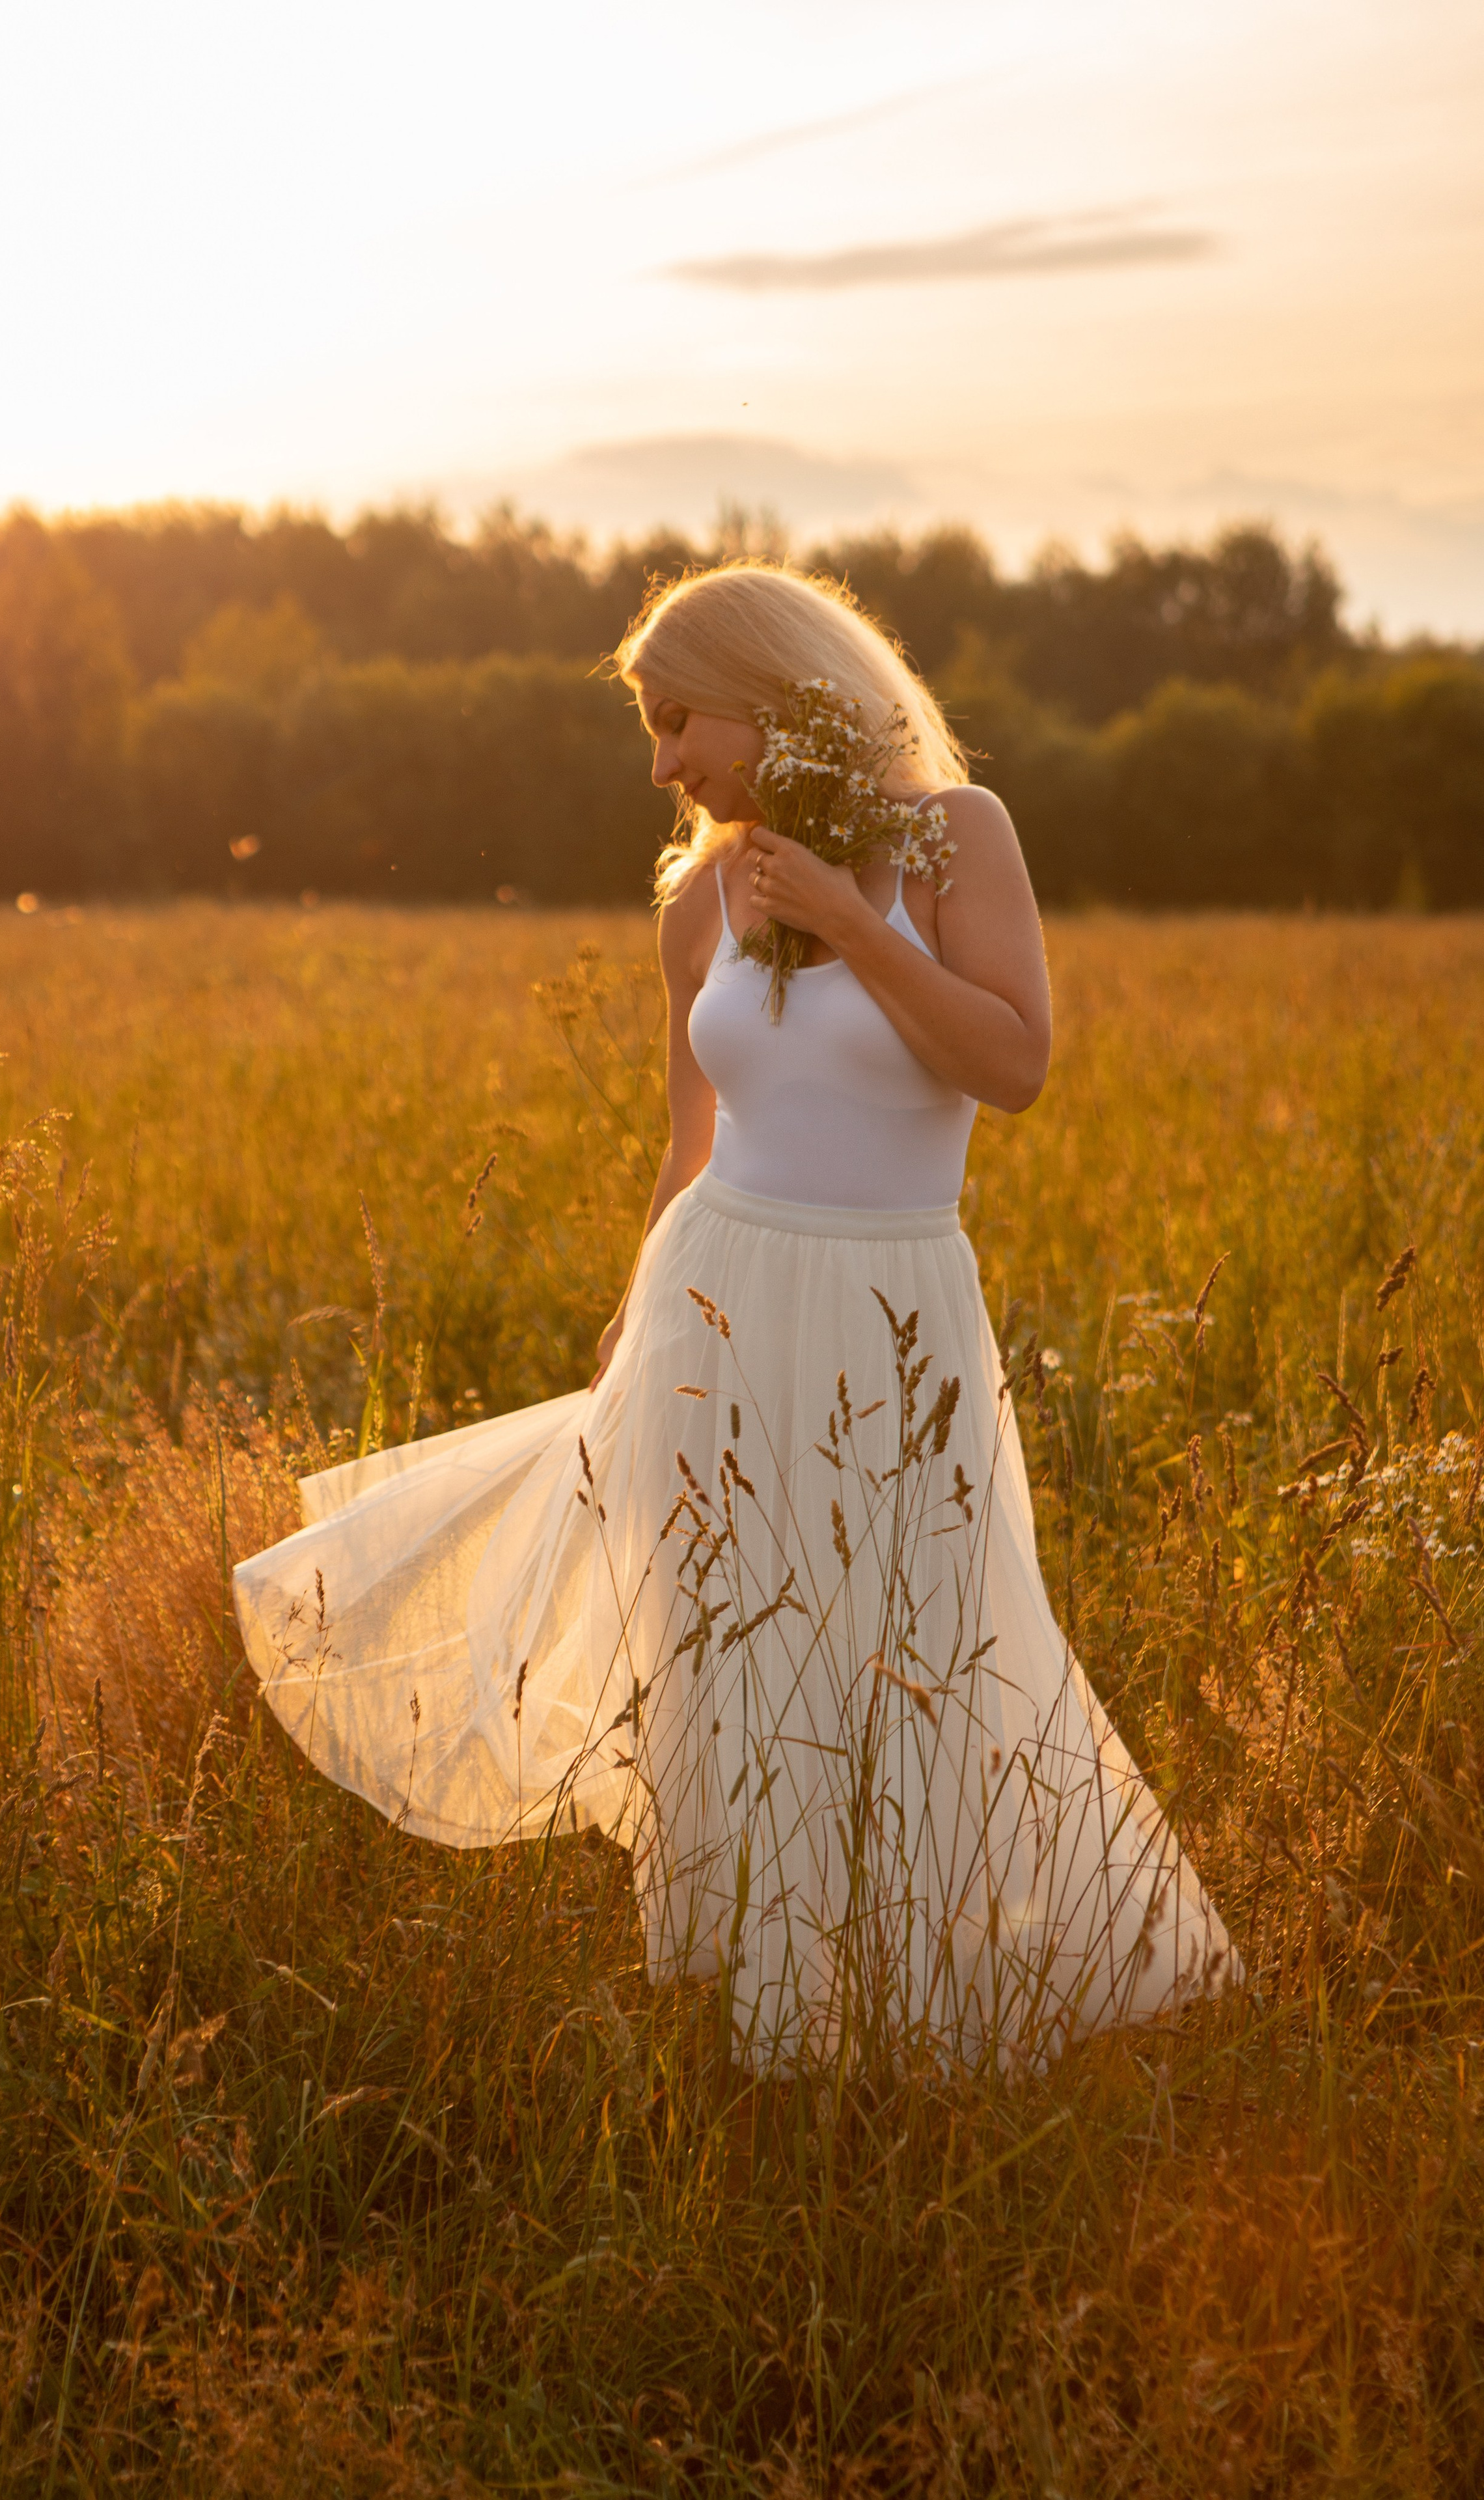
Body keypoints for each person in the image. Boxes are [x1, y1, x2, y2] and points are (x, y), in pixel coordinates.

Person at [233, 560, 1235, 2066]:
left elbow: (1013, 1064)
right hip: (712, 1304)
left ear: (769, 691)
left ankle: (932, 2012)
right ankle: (773, 2029)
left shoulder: (953, 837)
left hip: (893, 1307)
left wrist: (847, 915)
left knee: (920, 1648)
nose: (662, 764)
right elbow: (685, 1148)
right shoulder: (698, 896)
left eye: (676, 719)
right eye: (651, 732)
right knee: (725, 1663)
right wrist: (634, 1330)